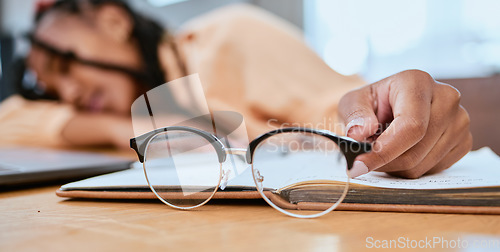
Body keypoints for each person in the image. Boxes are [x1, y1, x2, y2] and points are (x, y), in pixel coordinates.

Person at [0, 0, 472, 179]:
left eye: (64, 64)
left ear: (112, 18)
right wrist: (127, 125)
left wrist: (376, 111)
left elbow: (337, 107)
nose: (69, 92)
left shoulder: (228, 37)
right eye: (51, 84)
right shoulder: (138, 107)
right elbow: (10, 118)